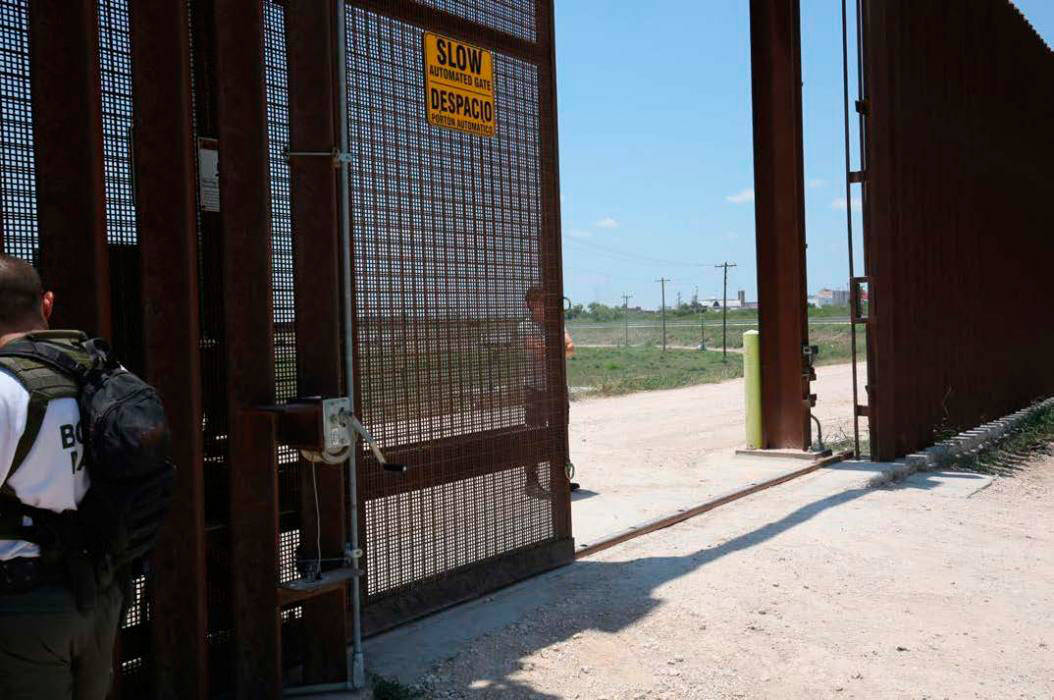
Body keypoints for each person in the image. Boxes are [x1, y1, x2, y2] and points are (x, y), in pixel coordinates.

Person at [0, 255, 123, 700]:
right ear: (47, 303)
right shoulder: (105, 373)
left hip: (25, 606)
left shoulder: (5, 389)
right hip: (99, 595)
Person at [520, 286, 576, 499]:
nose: (546, 306)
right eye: (541, 301)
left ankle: (559, 479)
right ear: (531, 304)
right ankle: (532, 482)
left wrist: (552, 347)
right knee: (534, 436)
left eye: (547, 301)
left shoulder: (556, 323)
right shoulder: (526, 326)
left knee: (560, 432)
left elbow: (571, 349)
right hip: (535, 390)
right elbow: (539, 351)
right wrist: (556, 347)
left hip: (557, 389)